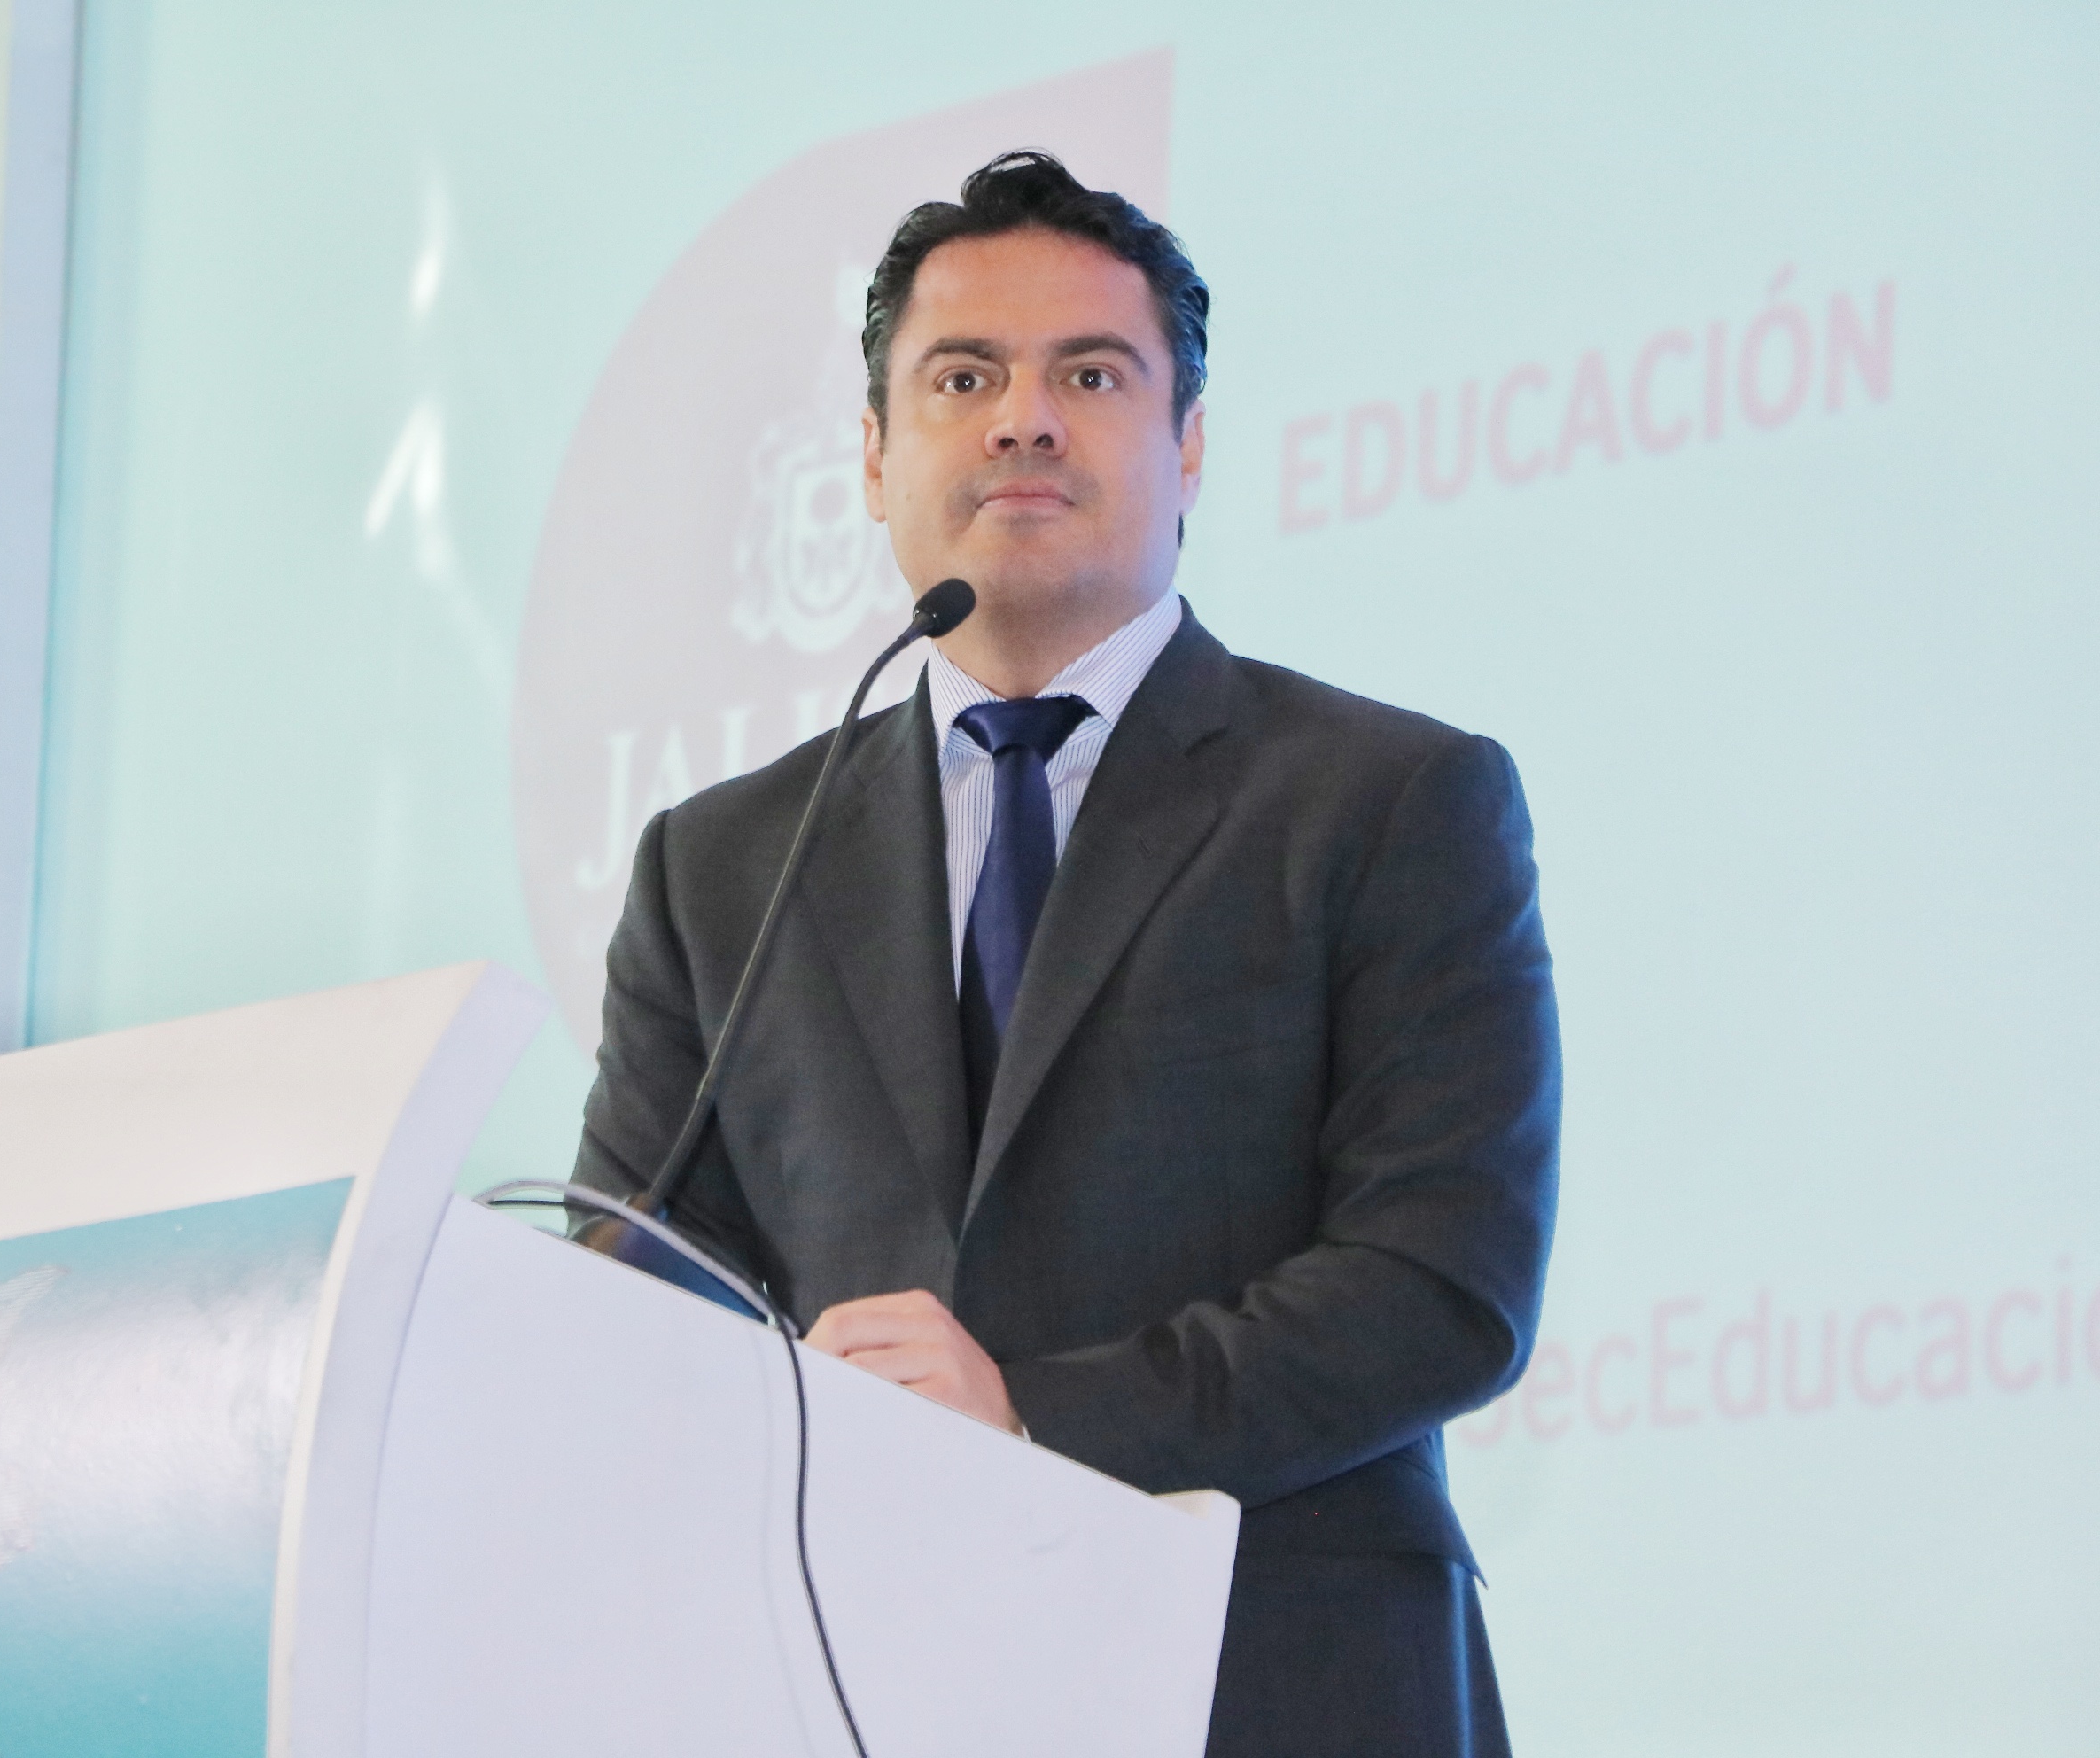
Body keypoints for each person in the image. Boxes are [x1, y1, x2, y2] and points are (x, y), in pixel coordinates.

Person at [572, 150, 1559, 1757]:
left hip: (1278, 1680)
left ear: (1188, 445)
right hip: (848, 1688)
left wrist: (1029, 1414)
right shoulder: (720, 867)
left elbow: (1442, 1284)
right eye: (964, 378)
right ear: (875, 458)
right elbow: (635, 1305)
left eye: (1090, 375)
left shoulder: (1393, 800)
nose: (1023, 419)